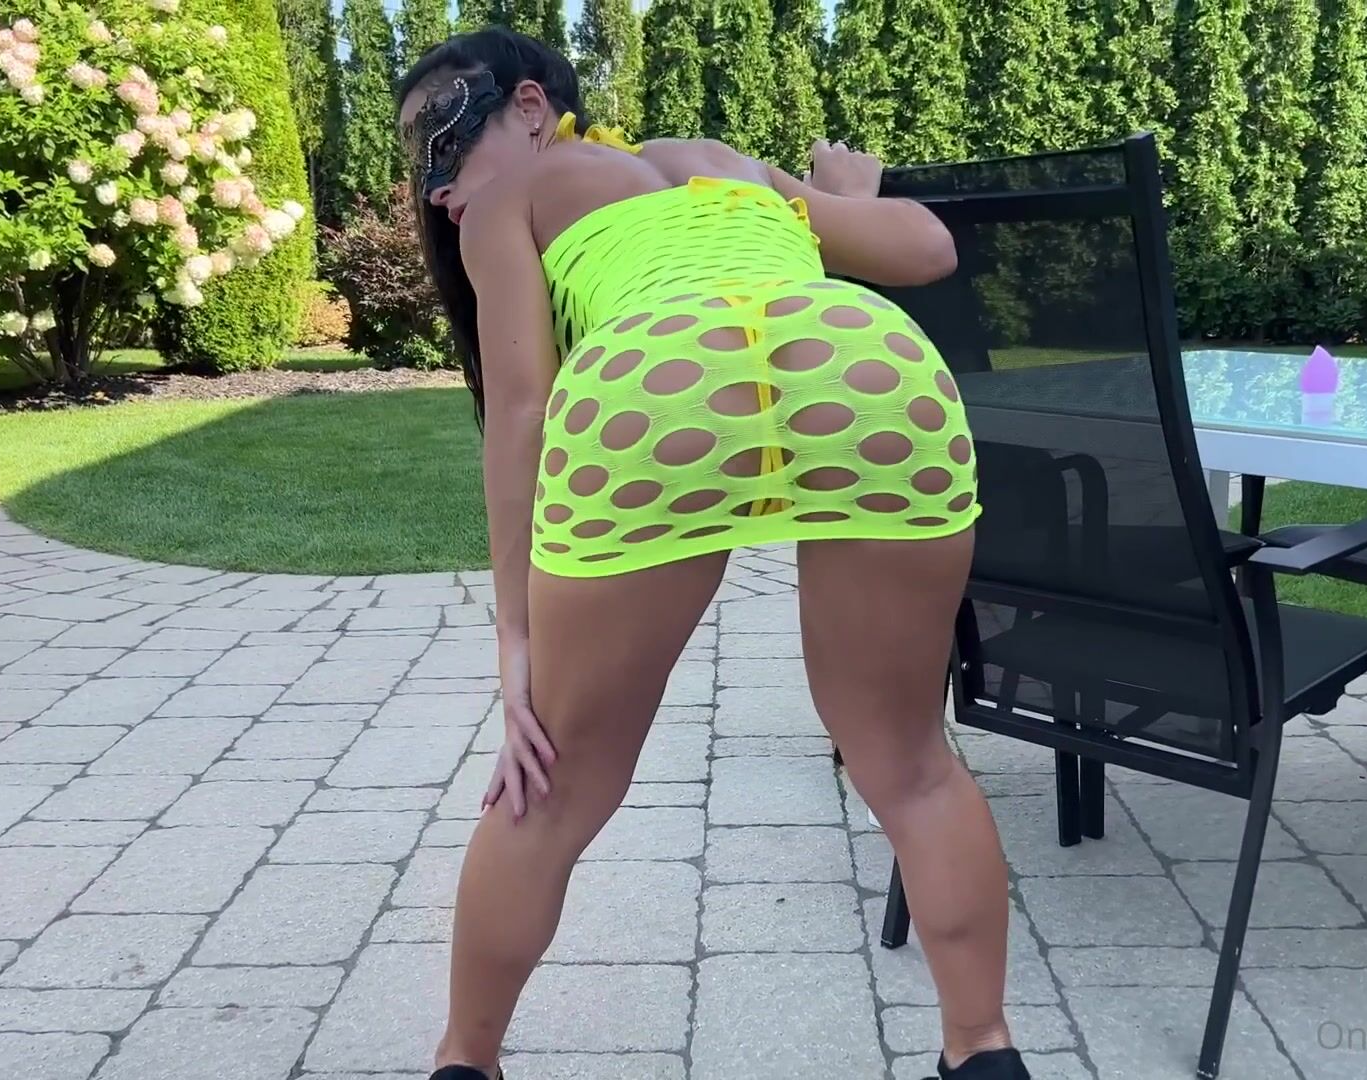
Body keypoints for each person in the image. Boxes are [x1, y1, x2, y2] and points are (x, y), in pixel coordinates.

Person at [396, 28, 1025, 1080]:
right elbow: (924, 249)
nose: (438, 185)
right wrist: (837, 196)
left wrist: (515, 636)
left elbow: (524, 411)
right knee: (912, 767)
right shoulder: (724, 165)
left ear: (533, 106)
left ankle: (466, 1062)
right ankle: (984, 1051)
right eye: (421, 164)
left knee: (554, 788)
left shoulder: (520, 199)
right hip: (864, 361)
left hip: (657, 380)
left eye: (447, 141)